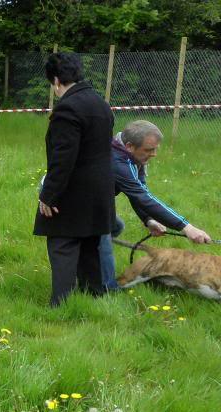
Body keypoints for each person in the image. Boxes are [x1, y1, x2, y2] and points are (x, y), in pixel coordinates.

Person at [34, 53, 116, 307]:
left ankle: (61, 303)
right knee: (90, 246)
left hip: (74, 192)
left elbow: (63, 159)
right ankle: (94, 296)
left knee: (62, 245)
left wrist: (49, 195)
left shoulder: (67, 109)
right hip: (100, 190)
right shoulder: (100, 104)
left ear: (56, 80)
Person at [100, 120, 211, 289]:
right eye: (149, 150)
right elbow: (143, 197)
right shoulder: (118, 162)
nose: (154, 154)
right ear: (129, 146)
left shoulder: (132, 156)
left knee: (116, 227)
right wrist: (187, 227)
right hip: (73, 202)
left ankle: (87, 255)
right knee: (102, 238)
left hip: (94, 201)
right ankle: (106, 289)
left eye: (156, 149)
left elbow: (138, 191)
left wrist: (149, 220)